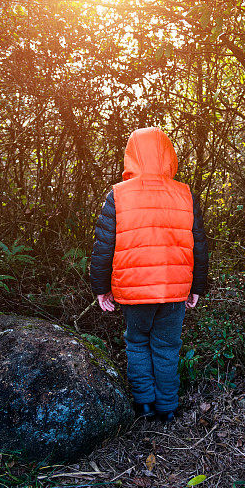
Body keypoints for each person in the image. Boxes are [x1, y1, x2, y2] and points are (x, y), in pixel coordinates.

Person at [89, 127, 208, 422]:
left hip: (133, 289)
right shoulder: (184, 194)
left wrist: (101, 288)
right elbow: (200, 245)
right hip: (174, 289)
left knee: (137, 342)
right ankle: (167, 408)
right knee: (167, 346)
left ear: (132, 155)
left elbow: (104, 247)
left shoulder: (118, 194)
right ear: (168, 155)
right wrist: (197, 286)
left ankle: (144, 403)